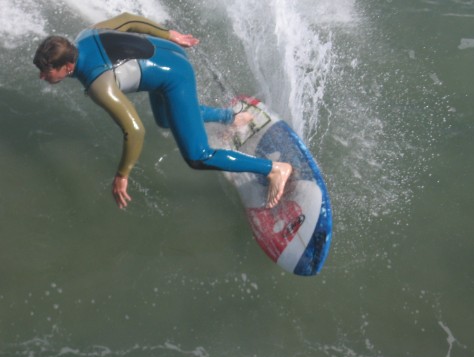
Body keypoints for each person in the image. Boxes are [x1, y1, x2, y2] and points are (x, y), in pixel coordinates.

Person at [33, 12, 292, 209]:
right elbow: (128, 19)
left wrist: (122, 175)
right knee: (166, 119)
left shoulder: (98, 84)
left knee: (198, 156)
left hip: (174, 76)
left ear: (68, 66)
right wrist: (170, 35)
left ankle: (274, 169)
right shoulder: (84, 36)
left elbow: (134, 131)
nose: (43, 77)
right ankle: (234, 118)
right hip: (168, 52)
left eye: (47, 71)